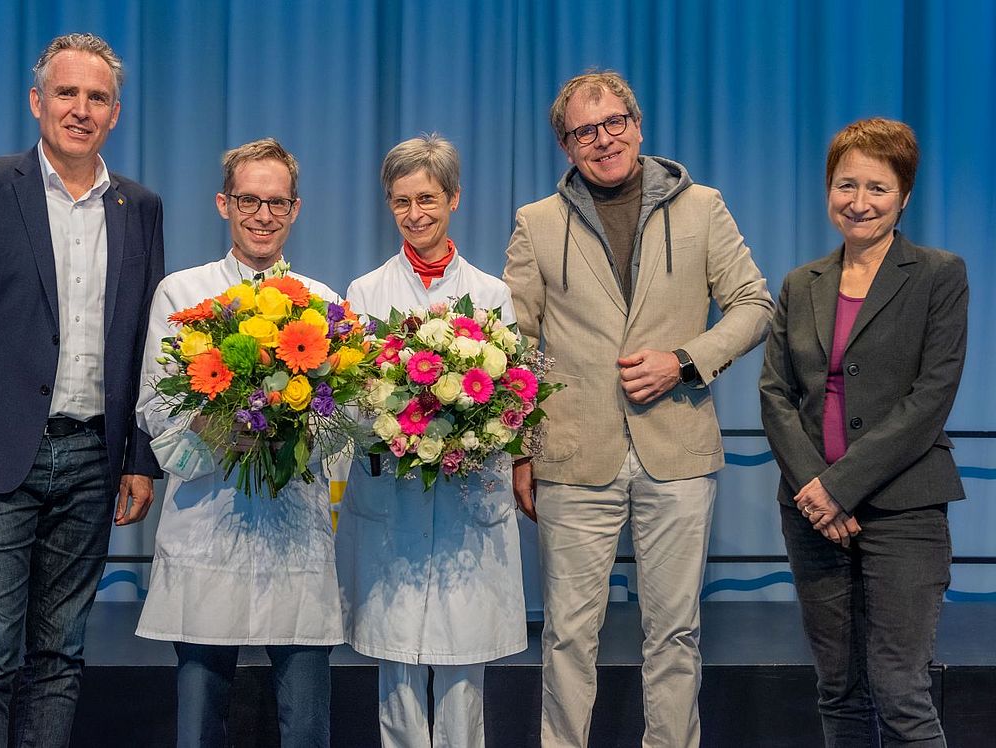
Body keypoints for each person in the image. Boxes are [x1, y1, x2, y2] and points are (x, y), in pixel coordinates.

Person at [502, 71, 773, 747]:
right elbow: (516, 345)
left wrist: (683, 358)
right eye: (584, 131)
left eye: (614, 122)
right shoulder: (535, 224)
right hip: (571, 455)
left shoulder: (703, 207)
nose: (603, 139)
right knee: (567, 636)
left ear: (638, 123)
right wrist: (519, 450)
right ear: (565, 146)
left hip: (675, 450)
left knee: (676, 633)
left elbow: (754, 305)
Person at [0, 33, 164, 747]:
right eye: (66, 93)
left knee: (59, 658)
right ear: (37, 101)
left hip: (92, 461)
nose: (80, 109)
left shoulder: (139, 207)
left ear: (115, 113)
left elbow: (148, 343)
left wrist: (138, 458)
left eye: (97, 97)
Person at [759, 118, 967, 747]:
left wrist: (839, 488)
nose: (859, 201)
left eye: (877, 188)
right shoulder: (802, 283)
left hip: (904, 508)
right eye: (845, 185)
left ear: (904, 196)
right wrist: (816, 491)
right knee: (840, 692)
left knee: (900, 690)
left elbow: (930, 399)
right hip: (812, 513)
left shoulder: (938, 274)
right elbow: (776, 393)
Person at [135, 139, 342, 748]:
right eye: (249, 199)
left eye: (277, 202)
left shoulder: (325, 303)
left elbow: (341, 428)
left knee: (306, 727)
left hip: (294, 532)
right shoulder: (181, 295)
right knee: (199, 727)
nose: (262, 214)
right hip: (208, 524)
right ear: (224, 203)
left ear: (296, 209)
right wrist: (233, 420)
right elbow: (158, 413)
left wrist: (287, 422)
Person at [336, 133, 526, 748]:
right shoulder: (365, 293)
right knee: (396, 663)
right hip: (393, 490)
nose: (415, 214)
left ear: (454, 198)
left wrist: (469, 434)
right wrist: (403, 429)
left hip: (468, 492)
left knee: (462, 660)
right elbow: (352, 396)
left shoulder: (492, 294)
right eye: (400, 202)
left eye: (427, 198)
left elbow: (515, 396)